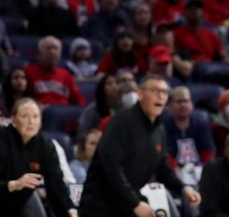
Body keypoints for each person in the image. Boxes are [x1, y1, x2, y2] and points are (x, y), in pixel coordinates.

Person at [78, 74, 202, 217]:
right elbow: (110, 166)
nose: (161, 96)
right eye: (155, 91)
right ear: (140, 94)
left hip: (128, 202)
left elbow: (162, 168)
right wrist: (134, 203)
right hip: (100, 206)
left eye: (164, 92)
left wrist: (183, 189)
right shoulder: (121, 122)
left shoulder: (159, 130)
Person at [0, 98, 77, 217]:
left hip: (13, 205)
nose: (31, 121)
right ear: (13, 120)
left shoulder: (45, 146)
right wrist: (14, 184)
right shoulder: (0, 141)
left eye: (35, 116)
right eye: (25, 116)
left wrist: (69, 210)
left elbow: (56, 184)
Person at [25, 35, 85, 106]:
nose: (52, 52)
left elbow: (79, 100)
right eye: (48, 48)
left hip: (63, 113)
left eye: (55, 48)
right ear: (40, 52)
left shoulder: (65, 74)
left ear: (60, 53)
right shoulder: (28, 71)